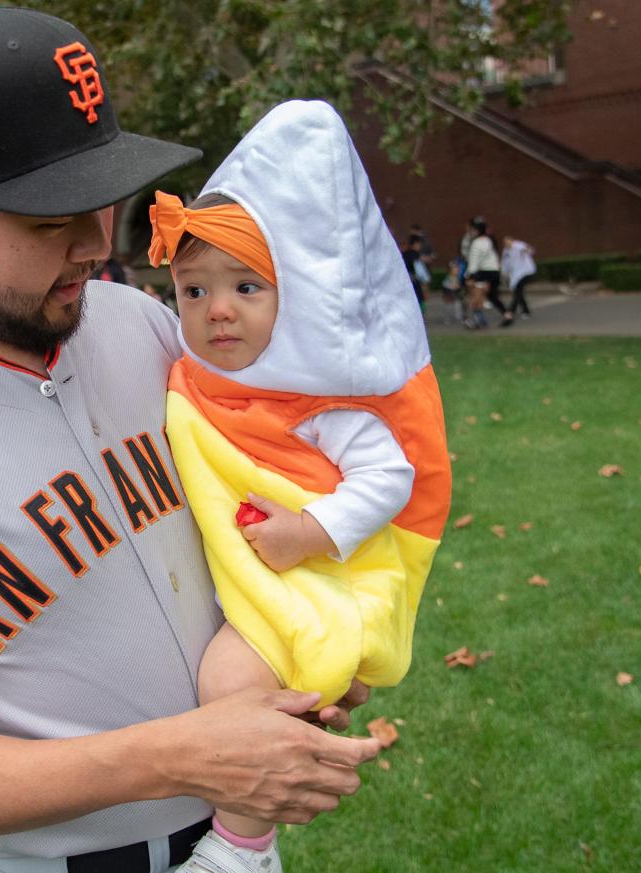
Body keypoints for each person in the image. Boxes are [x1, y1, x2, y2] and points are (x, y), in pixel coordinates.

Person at [0, 7, 380, 873]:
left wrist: (300, 640)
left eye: (104, 198)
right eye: (50, 220)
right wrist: (179, 752)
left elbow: (262, 489)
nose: (97, 244)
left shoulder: (142, 324)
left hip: (244, 840)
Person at [149, 100, 452, 872]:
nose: (217, 310)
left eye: (247, 288)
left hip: (318, 572)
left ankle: (241, 844)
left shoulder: (318, 404)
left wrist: (310, 531)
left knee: (230, 679)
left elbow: (389, 475)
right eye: (193, 291)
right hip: (251, 571)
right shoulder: (197, 381)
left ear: (293, 298)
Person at [465, 216, 509, 327]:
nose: (471, 232)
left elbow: (474, 261)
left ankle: (478, 321)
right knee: (492, 296)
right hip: (494, 272)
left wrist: (469, 276)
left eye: (473, 229)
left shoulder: (476, 243)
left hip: (483, 273)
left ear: (477, 230)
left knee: (476, 296)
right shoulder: (489, 240)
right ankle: (507, 314)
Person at [501, 237, 535, 320]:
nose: (507, 244)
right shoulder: (506, 251)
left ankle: (510, 311)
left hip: (525, 272)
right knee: (518, 293)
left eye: (508, 242)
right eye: (505, 243)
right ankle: (525, 311)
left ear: (512, 241)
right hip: (515, 275)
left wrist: (527, 250)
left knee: (517, 292)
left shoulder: (519, 245)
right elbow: (505, 263)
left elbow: (529, 250)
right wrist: (504, 273)